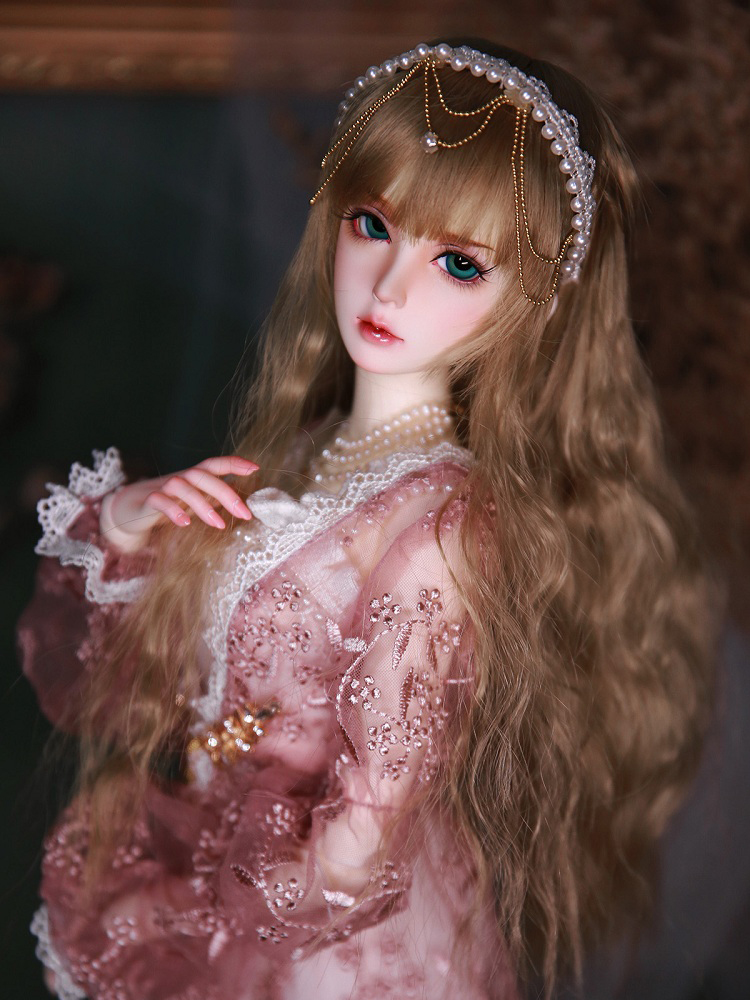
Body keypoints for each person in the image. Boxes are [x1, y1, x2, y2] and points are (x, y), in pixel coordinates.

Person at [18, 39, 714, 1000]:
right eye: (373, 224)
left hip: (321, 940)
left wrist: (224, 908)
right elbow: (128, 686)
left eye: (459, 264)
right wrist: (131, 530)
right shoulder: (311, 450)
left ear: (533, 303)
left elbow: (364, 830)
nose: (390, 287)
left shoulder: (440, 526)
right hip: (224, 864)